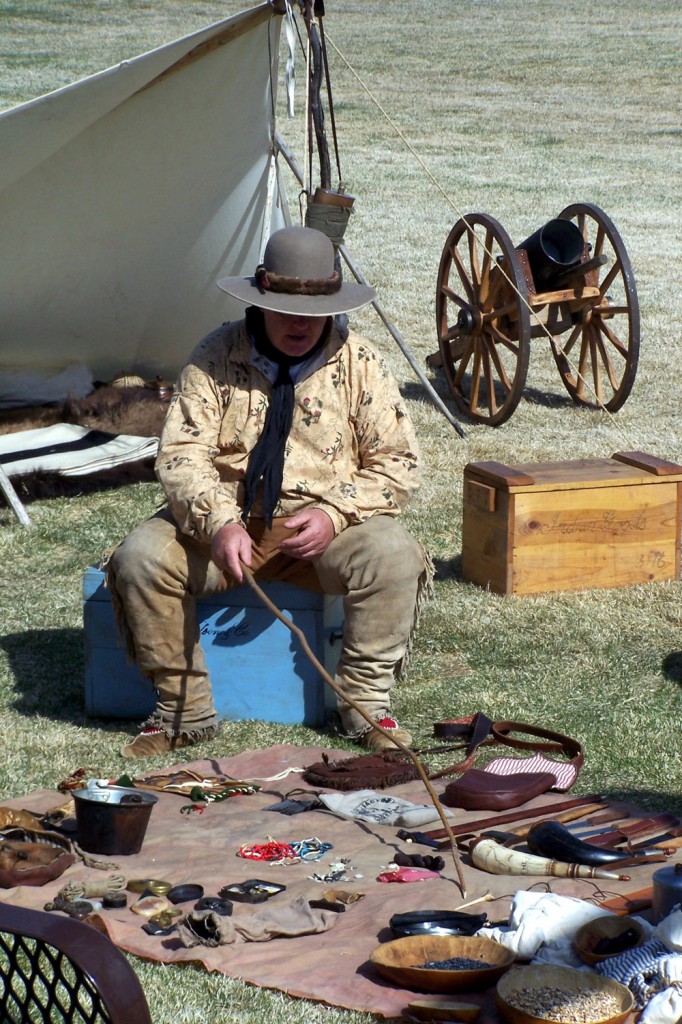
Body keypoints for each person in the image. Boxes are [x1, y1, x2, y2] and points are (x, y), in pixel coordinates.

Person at [107, 225, 432, 759]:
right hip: (225, 528)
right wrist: (219, 521)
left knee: (394, 553)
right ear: (258, 302)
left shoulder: (360, 362)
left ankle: (366, 709)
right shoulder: (214, 355)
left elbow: (398, 463)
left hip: (322, 534)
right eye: (284, 311)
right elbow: (181, 455)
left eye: (311, 313)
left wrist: (334, 513)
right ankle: (184, 712)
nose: (299, 325)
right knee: (141, 557)